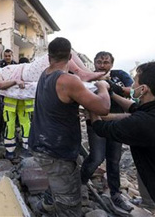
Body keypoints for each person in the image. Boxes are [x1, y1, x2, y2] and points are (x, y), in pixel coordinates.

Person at [29, 37, 111, 216]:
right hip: (56, 151)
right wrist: (102, 86)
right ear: (70, 56)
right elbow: (103, 108)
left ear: (49, 57)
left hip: (40, 144)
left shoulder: (45, 73)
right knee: (70, 204)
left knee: (57, 178)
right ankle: (53, 207)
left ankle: (46, 205)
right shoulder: (67, 81)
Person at [90, 61, 155, 215]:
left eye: (135, 80)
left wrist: (93, 104)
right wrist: (112, 94)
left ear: (143, 89)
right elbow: (135, 108)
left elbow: (100, 128)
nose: (132, 83)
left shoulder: (143, 123)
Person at [81, 51, 134, 212]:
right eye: (99, 62)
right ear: (94, 63)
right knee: (96, 158)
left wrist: (109, 83)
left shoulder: (119, 75)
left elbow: (130, 90)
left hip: (116, 124)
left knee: (114, 160)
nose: (102, 65)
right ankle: (80, 184)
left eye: (106, 62)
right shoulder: (89, 77)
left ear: (112, 63)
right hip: (96, 123)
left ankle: (115, 194)